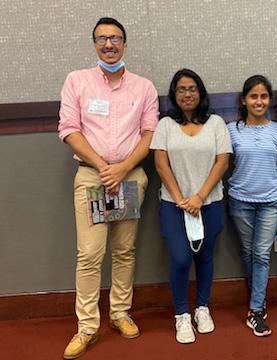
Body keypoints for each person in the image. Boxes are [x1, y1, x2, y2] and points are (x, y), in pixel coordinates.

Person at [58, 17, 159, 359]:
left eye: (115, 38)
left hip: (128, 179)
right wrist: (104, 167)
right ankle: (87, 326)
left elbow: (149, 133)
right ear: (94, 44)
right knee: (89, 254)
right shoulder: (77, 81)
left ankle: (119, 313)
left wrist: (123, 168)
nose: (109, 45)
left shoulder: (142, 87)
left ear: (125, 44)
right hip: (92, 178)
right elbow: (69, 129)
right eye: (102, 39)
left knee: (124, 250)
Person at [150, 69, 232, 344]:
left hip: (210, 203)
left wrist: (199, 197)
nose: (187, 94)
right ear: (174, 94)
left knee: (205, 257)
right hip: (174, 205)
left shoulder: (217, 123)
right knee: (181, 258)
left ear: (201, 92)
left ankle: (202, 307)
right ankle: (182, 314)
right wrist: (182, 199)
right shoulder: (165, 125)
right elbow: (161, 164)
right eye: (181, 89)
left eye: (192, 88)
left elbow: (222, 162)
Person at [227, 75, 277, 337]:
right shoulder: (231, 130)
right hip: (240, 200)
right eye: (253, 96)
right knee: (249, 253)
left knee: (262, 254)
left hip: (271, 202)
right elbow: (222, 164)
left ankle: (255, 311)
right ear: (244, 100)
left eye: (264, 96)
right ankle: (259, 300)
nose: (259, 101)